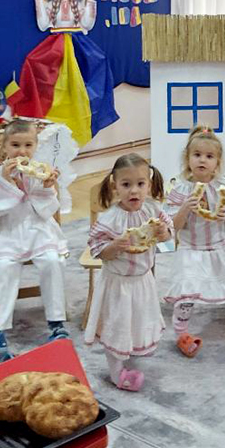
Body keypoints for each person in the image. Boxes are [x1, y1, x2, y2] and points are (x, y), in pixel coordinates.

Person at [163, 125, 225, 356]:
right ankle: (181, 332)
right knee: (186, 292)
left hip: (222, 246)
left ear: (217, 162)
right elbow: (173, 228)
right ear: (187, 159)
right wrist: (185, 209)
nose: (202, 160)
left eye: (209, 156)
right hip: (192, 250)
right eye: (197, 155)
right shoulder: (180, 190)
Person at [10, 0, 119, 145]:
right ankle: (42, 117)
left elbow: (87, 24)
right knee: (35, 64)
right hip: (55, 46)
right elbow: (43, 25)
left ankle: (88, 117)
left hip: (79, 47)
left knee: (95, 68)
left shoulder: (79, 0)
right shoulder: (51, 1)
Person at [84, 154, 172, 391]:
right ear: (115, 186)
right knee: (117, 325)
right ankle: (116, 372)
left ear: (149, 185)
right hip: (118, 283)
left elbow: (168, 232)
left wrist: (163, 232)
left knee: (138, 318)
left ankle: (132, 348)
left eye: (140, 184)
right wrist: (114, 247)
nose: (134, 191)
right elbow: (97, 250)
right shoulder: (110, 219)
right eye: (126, 184)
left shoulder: (153, 210)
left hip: (143, 280)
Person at [0, 119, 68, 361]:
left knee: (52, 261)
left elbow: (48, 210)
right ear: (4, 146)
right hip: (8, 233)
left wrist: (48, 187)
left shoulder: (40, 172)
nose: (21, 151)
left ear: (35, 146)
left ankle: (56, 322)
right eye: (15, 145)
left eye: (28, 145)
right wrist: (9, 182)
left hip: (38, 230)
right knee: (3, 269)